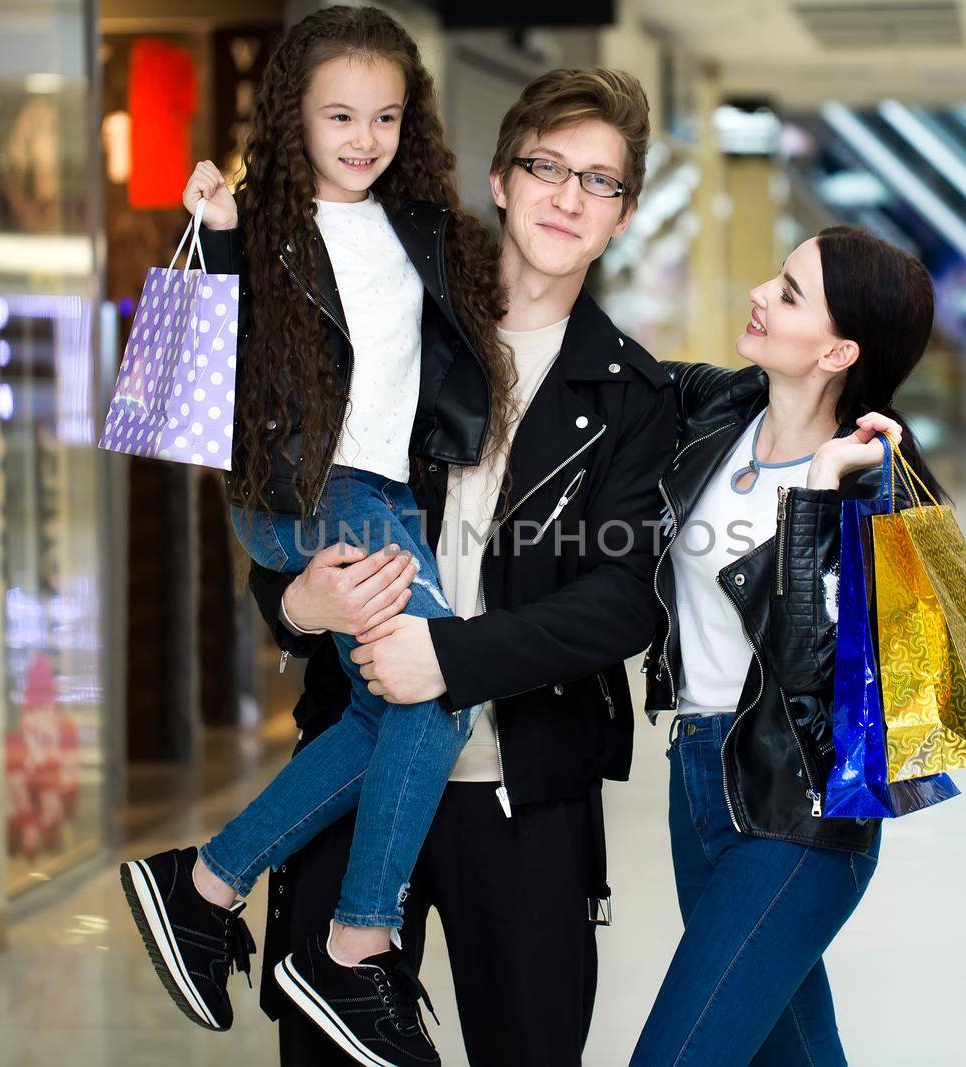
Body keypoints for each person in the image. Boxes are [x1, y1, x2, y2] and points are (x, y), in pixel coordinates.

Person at [250, 68, 675, 1066]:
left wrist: (449, 656)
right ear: (498, 179)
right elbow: (290, 502)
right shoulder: (390, 340)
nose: (568, 196)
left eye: (599, 181)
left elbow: (620, 601)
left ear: (622, 214)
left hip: (519, 790)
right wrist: (290, 601)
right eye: (546, 167)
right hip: (353, 768)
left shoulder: (631, 396)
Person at [117, 9, 514, 1065]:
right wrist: (213, 227)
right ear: (293, 114)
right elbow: (194, 366)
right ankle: (351, 943)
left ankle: (203, 884)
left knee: (408, 709)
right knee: (436, 687)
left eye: (384, 115)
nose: (363, 136)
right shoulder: (260, 219)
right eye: (339, 114)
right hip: (304, 485)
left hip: (381, 492)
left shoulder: (416, 224)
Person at [633, 225, 946, 1066]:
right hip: (697, 780)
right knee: (794, 1056)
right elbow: (596, 370)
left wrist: (814, 492)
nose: (760, 295)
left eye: (790, 292)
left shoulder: (877, 485)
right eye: (777, 278)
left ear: (840, 350)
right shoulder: (719, 409)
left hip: (801, 814)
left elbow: (811, 676)